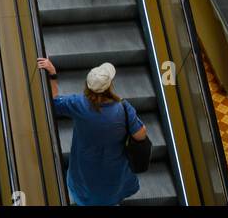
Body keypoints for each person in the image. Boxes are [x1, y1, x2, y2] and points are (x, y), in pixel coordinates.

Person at [36, 58, 147, 207]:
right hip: (113, 174)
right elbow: (140, 135)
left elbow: (53, 102)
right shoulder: (124, 109)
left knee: (86, 198)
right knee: (110, 197)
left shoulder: (78, 104)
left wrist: (53, 74)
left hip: (84, 172)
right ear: (109, 86)